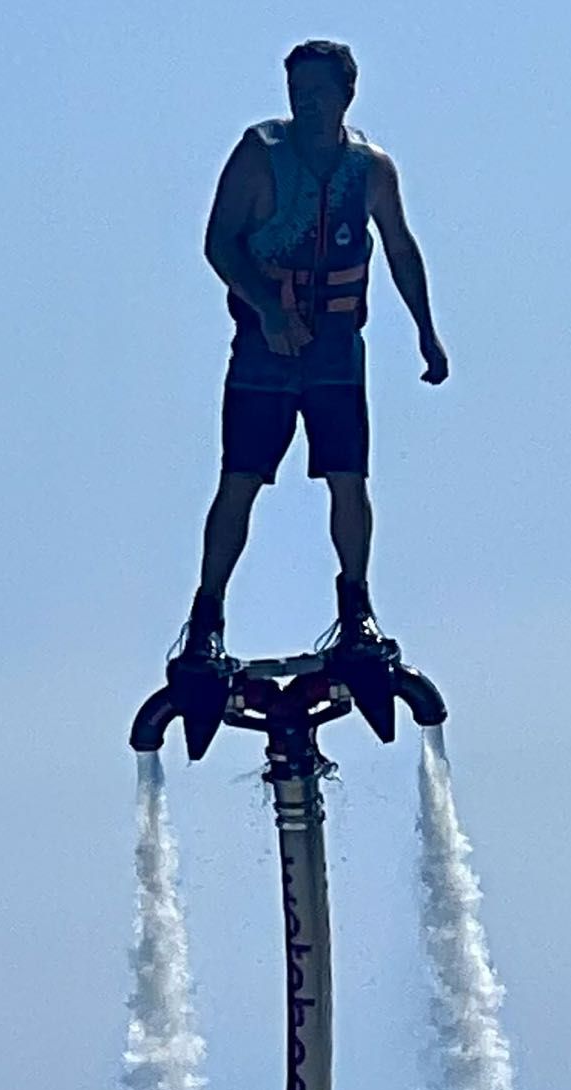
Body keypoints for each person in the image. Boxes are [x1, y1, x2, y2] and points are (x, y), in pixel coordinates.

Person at [179, 39, 448, 668]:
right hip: (264, 348)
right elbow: (219, 243)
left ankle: (356, 610)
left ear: (347, 95)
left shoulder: (371, 168)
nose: (305, 104)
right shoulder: (260, 155)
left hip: (334, 350)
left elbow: (401, 250)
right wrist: (269, 310)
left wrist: (426, 332)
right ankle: (205, 618)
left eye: (318, 93)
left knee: (348, 479)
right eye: (297, 92)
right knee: (241, 479)